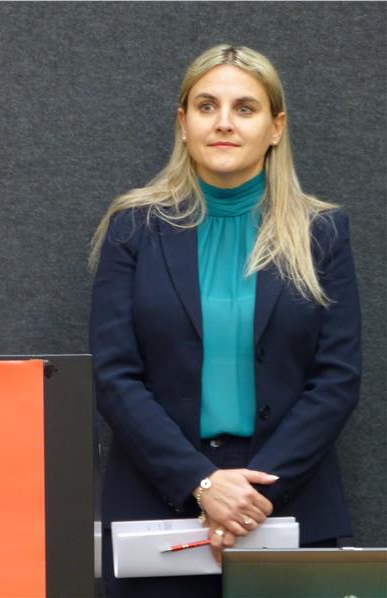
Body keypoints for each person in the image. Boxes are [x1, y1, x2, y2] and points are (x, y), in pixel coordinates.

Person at [89, 44, 360, 597]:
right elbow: (115, 377)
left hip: (290, 506)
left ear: (276, 127)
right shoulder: (133, 228)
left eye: (245, 108)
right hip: (158, 508)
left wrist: (251, 498)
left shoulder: (322, 233)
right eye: (207, 106)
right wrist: (201, 483)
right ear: (183, 122)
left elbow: (336, 379)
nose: (224, 123)